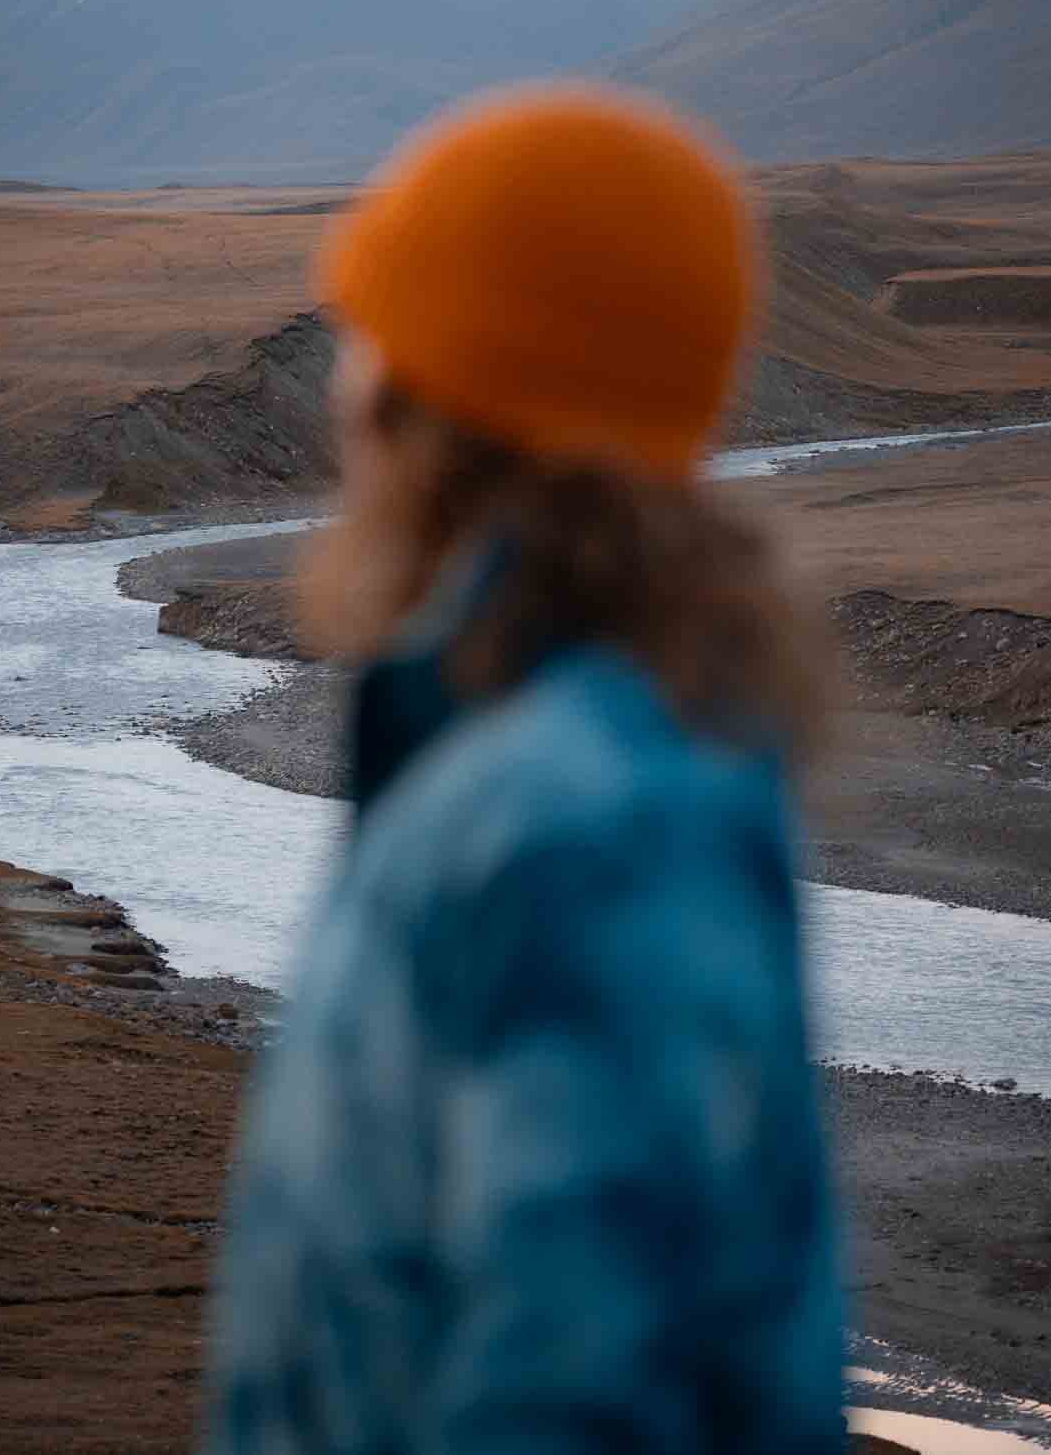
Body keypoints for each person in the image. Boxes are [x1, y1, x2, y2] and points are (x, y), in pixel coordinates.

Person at [202, 83, 844, 1455]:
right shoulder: (586, 757)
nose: (340, 389)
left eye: (368, 340)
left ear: (434, 403)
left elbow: (582, 1388)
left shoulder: (575, 824)